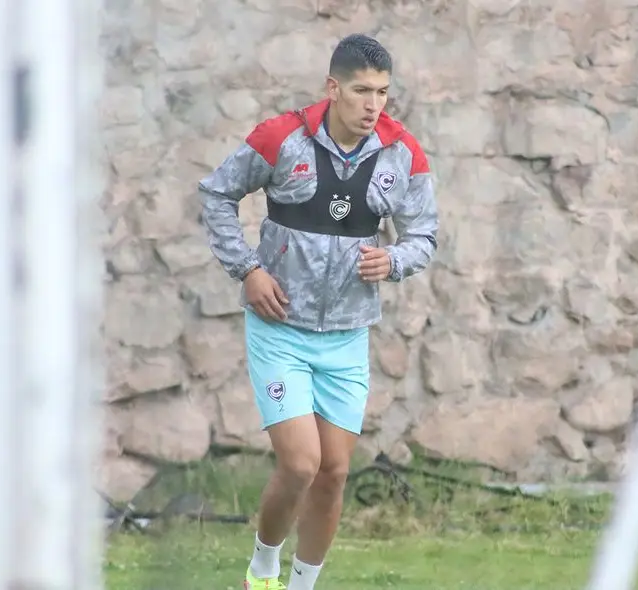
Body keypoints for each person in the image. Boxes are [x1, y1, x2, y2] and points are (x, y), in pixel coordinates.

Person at [197, 33, 438, 590]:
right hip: (280, 328)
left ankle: (303, 585)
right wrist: (249, 270)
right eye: (360, 91)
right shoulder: (281, 138)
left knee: (333, 471)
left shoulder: (403, 153)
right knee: (301, 463)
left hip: (347, 336)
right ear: (333, 88)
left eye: (382, 92)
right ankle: (262, 568)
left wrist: (394, 259)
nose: (373, 105)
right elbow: (217, 195)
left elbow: (423, 233)